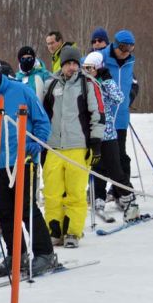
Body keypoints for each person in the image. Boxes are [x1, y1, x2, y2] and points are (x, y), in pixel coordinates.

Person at [0, 55, 57, 276]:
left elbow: (41, 120)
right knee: (4, 212)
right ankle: (16, 253)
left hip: (21, 160)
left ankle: (45, 253)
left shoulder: (21, 91)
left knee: (26, 208)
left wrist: (36, 143)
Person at [41, 46, 105, 248]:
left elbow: (98, 115)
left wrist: (96, 143)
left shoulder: (88, 84)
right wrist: (42, 144)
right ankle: (54, 230)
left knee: (75, 192)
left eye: (75, 64)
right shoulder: (50, 83)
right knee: (52, 192)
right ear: (62, 64)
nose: (71, 67)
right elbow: (42, 115)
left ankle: (72, 232)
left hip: (78, 146)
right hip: (53, 147)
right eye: (68, 63)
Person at [82, 52, 139, 221]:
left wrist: (107, 81)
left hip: (108, 134)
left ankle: (130, 201)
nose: (87, 71)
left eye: (90, 68)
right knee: (97, 170)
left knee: (115, 170)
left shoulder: (104, 82)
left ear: (98, 67)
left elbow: (119, 98)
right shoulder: (84, 83)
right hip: (92, 135)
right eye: (85, 68)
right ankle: (98, 201)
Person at [99, 29, 136, 203]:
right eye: (122, 48)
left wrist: (130, 98)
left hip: (120, 118)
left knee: (121, 156)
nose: (125, 53)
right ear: (114, 44)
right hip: (103, 119)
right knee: (104, 160)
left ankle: (120, 192)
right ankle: (99, 193)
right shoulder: (101, 57)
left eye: (130, 49)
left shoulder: (130, 62)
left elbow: (133, 84)